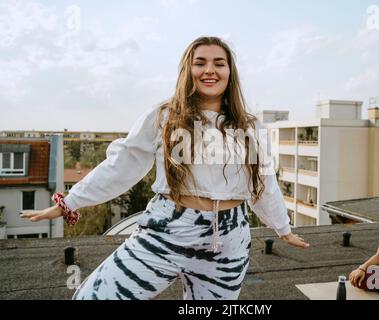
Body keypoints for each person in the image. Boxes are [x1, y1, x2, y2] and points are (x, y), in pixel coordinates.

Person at [21, 36, 309, 300]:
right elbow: (123, 165)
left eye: (219, 63)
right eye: (200, 63)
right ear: (188, 70)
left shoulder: (250, 127)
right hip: (168, 230)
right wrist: (69, 202)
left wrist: (283, 228)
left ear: (229, 73)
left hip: (230, 241)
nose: (210, 70)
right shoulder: (165, 116)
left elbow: (263, 182)